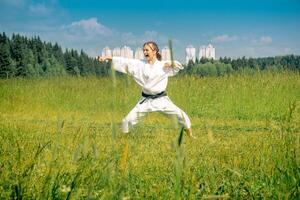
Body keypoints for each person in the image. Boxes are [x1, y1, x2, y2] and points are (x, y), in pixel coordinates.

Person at [99, 41, 194, 138]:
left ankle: (191, 136)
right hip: (145, 101)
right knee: (126, 121)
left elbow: (178, 65)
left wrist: (171, 63)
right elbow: (124, 61)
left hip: (162, 100)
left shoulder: (163, 65)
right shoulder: (139, 64)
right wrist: (107, 57)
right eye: (143, 50)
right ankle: (125, 140)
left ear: (154, 51)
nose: (145, 52)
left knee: (182, 116)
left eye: (147, 50)